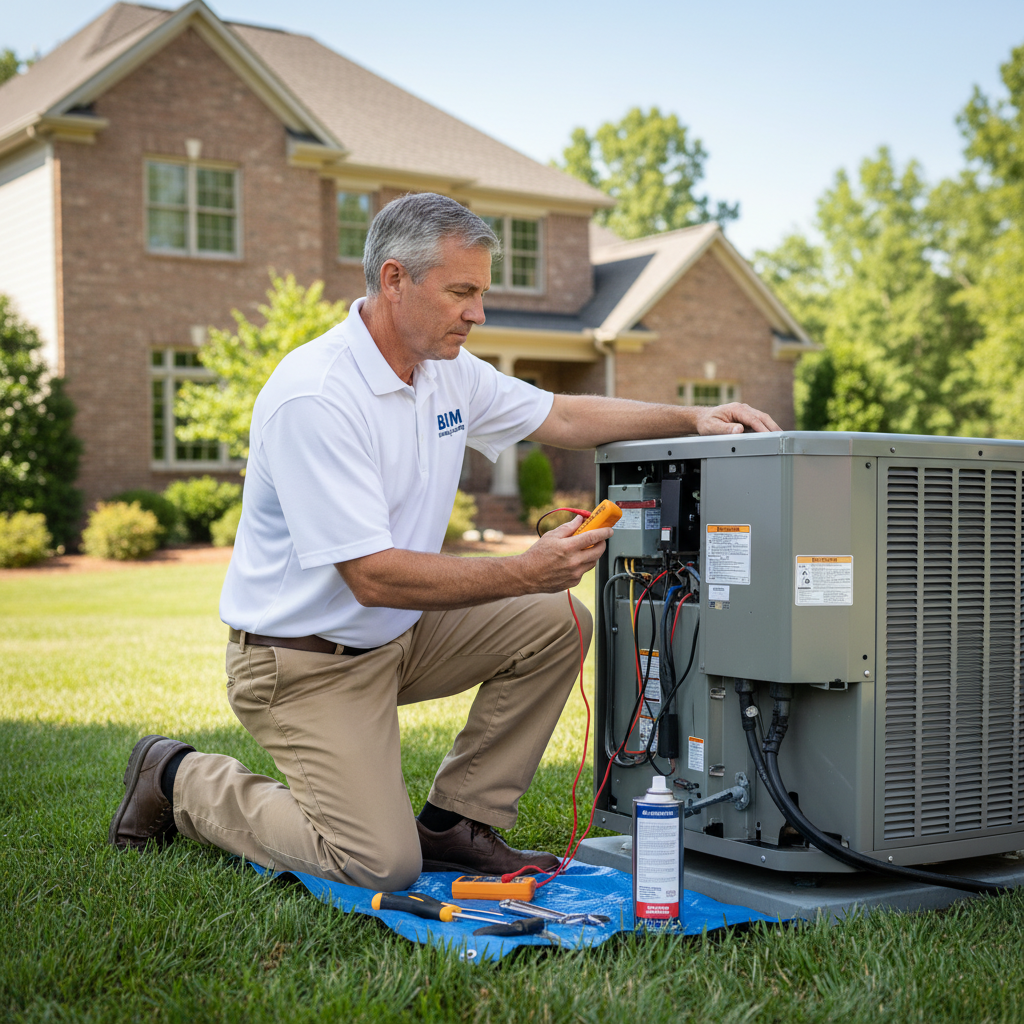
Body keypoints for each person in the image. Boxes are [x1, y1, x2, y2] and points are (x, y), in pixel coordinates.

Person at [109, 193, 780, 891]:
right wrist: (525, 571)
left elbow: (560, 414)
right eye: (462, 292)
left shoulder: (445, 371)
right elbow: (372, 576)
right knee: (377, 863)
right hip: (301, 663)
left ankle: (457, 823)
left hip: (397, 638)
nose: (478, 313)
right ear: (395, 280)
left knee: (555, 623)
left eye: (481, 293)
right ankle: (179, 778)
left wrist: (691, 417)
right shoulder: (317, 394)